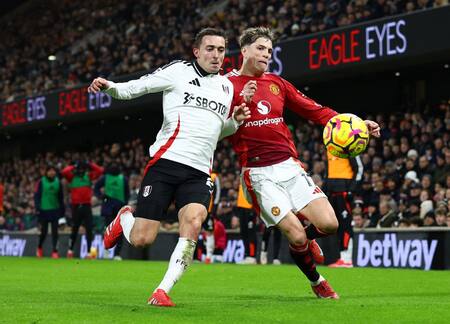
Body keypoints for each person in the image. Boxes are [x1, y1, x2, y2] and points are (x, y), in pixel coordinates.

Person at [88, 28, 250, 307]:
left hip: (199, 172)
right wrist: (111, 87)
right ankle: (124, 218)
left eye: (221, 50)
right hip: (165, 164)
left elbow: (215, 131)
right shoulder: (178, 71)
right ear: (196, 51)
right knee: (141, 239)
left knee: (194, 221)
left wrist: (234, 122)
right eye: (210, 49)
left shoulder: (226, 87)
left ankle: (162, 291)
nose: (216, 55)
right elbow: (138, 86)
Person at [226, 27, 380, 299]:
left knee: (330, 224)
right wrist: (239, 100)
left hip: (290, 166)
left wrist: (356, 125)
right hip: (259, 173)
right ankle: (317, 280)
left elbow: (315, 110)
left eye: (270, 50)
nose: (266, 54)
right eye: (261, 48)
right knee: (295, 237)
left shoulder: (277, 83)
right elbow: (217, 126)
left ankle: (308, 240)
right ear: (245, 51)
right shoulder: (226, 86)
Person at [325, 153, 363, 268]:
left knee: (346, 225)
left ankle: (347, 258)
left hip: (344, 192)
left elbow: (359, 169)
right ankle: (342, 257)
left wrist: (351, 189)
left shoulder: (349, 145)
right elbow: (330, 171)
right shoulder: (330, 148)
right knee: (338, 226)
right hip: (333, 193)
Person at [61, 160, 103, 259]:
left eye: (82, 169)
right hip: (75, 206)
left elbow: (100, 171)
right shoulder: (72, 178)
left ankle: (89, 252)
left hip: (86, 206)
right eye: (78, 169)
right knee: (74, 229)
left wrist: (89, 164)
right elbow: (64, 172)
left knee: (89, 229)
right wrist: (73, 166)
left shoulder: (88, 176)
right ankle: (70, 250)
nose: (80, 170)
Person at [94, 162, 130, 260]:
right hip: (108, 206)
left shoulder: (123, 179)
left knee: (119, 231)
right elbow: (96, 187)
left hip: (119, 207)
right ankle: (106, 250)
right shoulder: (105, 178)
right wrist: (101, 197)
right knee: (108, 229)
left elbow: (127, 193)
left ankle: (116, 254)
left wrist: (125, 205)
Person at [34, 165, 65, 258]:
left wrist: (62, 211)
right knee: (44, 232)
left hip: (55, 210)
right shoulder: (41, 181)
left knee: (55, 232)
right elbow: (37, 196)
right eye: (50, 171)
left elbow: (61, 197)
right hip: (44, 210)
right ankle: (39, 248)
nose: (52, 173)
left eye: (53, 171)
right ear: (46, 172)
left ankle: (55, 251)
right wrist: (38, 208)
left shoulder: (58, 182)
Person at [236, 180, 258, 264]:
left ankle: (252, 256)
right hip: (242, 206)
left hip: (250, 207)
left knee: (251, 232)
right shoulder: (243, 173)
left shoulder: (251, 172)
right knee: (244, 232)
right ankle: (247, 255)